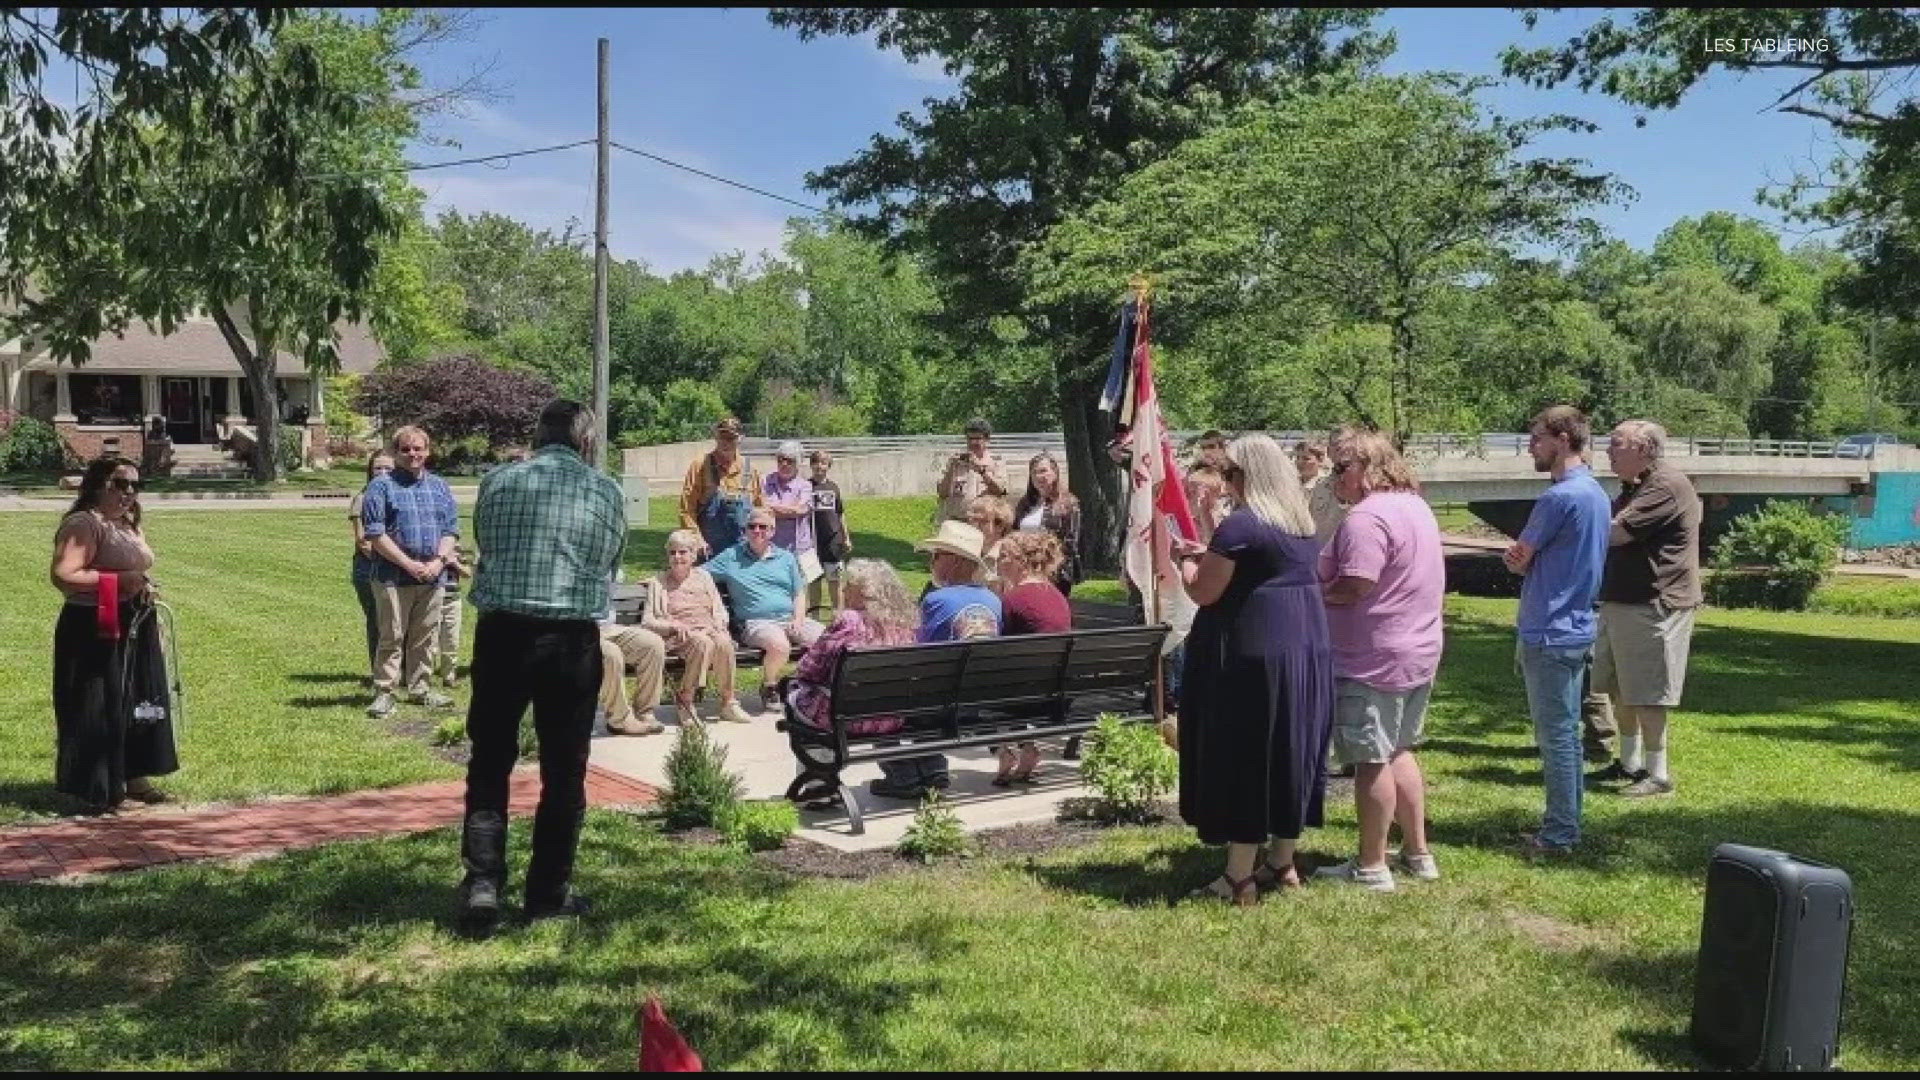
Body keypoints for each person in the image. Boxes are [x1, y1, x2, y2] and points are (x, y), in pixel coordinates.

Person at [458, 400, 627, 936]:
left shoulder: (498, 482)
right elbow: (608, 562)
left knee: (490, 760)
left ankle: (484, 884)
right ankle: (547, 893)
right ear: (586, 440)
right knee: (565, 770)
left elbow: (487, 547)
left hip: (504, 632)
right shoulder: (606, 491)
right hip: (569, 642)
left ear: (537, 436)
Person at [1170, 434, 1333, 906]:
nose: (1224, 481)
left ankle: (1237, 878)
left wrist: (1184, 561)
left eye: (1229, 473)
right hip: (1304, 651)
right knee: (1289, 751)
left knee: (1246, 755)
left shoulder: (1242, 525)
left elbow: (1204, 594)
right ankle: (1282, 862)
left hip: (1252, 655)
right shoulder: (1299, 523)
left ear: (1247, 475)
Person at [1312, 428, 1446, 891]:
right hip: (1417, 652)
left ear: (1368, 468)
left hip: (1372, 658)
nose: (1334, 479)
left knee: (1370, 760)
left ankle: (1371, 867)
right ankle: (1417, 853)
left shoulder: (1366, 519)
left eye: (1341, 468)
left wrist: (1311, 595)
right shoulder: (1417, 507)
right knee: (1399, 750)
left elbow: (1356, 585)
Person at [1503, 405, 1612, 856]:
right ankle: (1565, 825)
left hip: (1549, 631)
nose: (1531, 446)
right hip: (1578, 626)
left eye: (1537, 438)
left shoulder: (1558, 498)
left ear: (1563, 439)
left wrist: (1515, 558)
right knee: (1566, 734)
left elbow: (1520, 558)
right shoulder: (1597, 494)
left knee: (1558, 738)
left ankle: (1560, 833)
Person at [48, 455, 179, 812]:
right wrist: (121, 582)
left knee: (138, 699)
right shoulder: (84, 524)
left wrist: (143, 586)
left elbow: (136, 569)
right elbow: (64, 575)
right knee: (100, 703)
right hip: (94, 628)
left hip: (134, 623)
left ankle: (135, 775)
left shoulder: (126, 524)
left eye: (136, 486)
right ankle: (101, 786)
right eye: (121, 484)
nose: (130, 493)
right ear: (97, 485)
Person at [1589, 419, 1702, 799]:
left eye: (1617, 444)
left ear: (1645, 449)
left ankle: (1659, 774)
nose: (1608, 451)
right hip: (1624, 601)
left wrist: (1572, 525)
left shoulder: (1666, 486)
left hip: (1654, 605)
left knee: (1648, 693)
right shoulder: (1634, 487)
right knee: (1622, 689)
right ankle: (1630, 763)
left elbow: (1614, 533)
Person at [869, 520, 1003, 800]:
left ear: (954, 561)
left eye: (936, 555)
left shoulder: (937, 600)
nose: (932, 561)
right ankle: (933, 770)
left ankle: (904, 776)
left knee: (879, 701)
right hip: (977, 700)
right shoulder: (993, 600)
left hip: (939, 700)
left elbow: (916, 651)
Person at [361, 426, 460, 719]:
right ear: (395, 453)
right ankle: (385, 692)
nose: (413, 454)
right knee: (391, 635)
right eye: (406, 449)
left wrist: (439, 561)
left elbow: (451, 529)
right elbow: (375, 533)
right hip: (393, 575)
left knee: (425, 636)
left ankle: (420, 689)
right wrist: (408, 563)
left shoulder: (440, 486)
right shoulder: (381, 486)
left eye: (418, 448)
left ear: (428, 451)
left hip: (433, 575)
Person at [704, 507, 825, 711]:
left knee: (826, 640)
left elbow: (798, 593)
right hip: (755, 623)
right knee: (779, 645)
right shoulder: (730, 557)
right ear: (745, 530)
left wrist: (798, 618)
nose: (757, 530)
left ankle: (806, 685)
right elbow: (697, 574)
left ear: (772, 531)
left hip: (789, 618)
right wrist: (660, 581)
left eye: (763, 527)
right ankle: (770, 686)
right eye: (752, 526)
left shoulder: (786, 558)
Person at [786, 558, 921, 737]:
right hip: (891, 718)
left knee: (793, 692)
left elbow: (807, 669)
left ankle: (815, 763)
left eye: (849, 585)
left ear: (863, 592)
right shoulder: (903, 623)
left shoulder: (849, 621)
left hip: (844, 718)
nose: (843, 590)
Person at [643, 530, 754, 725]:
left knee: (723, 642)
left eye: (683, 552)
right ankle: (685, 701)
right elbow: (648, 621)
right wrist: (672, 625)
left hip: (707, 630)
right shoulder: (658, 582)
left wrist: (719, 624)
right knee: (703, 643)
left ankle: (728, 702)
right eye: (672, 552)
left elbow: (719, 609)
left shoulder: (704, 577)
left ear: (694, 555)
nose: (677, 557)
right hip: (678, 637)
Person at [991, 529, 1072, 786]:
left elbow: (996, 650)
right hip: (1056, 692)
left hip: (1023, 696)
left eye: (1003, 556)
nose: (997, 561)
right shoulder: (1056, 595)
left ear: (1020, 561)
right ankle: (1027, 749)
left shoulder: (1013, 600)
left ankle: (1002, 750)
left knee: (978, 681)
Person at [677, 416, 764, 559]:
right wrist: (696, 540)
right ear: (716, 437)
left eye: (731, 438)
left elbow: (761, 511)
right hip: (708, 551)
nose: (725, 442)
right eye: (721, 437)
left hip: (744, 553)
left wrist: (759, 540)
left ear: (740, 439)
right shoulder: (700, 466)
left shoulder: (750, 470)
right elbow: (686, 510)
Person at [596, 579, 669, 737]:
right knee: (611, 654)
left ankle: (645, 711)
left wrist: (656, 580)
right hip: (583, 629)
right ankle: (619, 720)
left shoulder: (608, 565)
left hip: (610, 627)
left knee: (653, 644)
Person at [349, 450, 395, 682]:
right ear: (370, 471)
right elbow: (362, 541)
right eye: (378, 468)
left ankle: (398, 671)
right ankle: (379, 672)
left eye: (389, 468)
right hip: (368, 568)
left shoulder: (397, 495)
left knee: (395, 622)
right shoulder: (362, 498)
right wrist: (392, 558)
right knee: (378, 621)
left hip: (393, 566)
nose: (383, 473)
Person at [1011, 451, 1082, 595]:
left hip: (1054, 572)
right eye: (1034, 473)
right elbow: (1014, 534)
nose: (1038, 477)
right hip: (1024, 569)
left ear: (1055, 473)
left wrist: (1046, 564)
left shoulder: (1068, 503)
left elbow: (1070, 542)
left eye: (1043, 471)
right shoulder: (1025, 503)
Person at [763, 439, 822, 586]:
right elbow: (759, 508)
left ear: (798, 463)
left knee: (797, 590)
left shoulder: (805, 486)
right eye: (780, 459)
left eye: (789, 460)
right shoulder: (765, 481)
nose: (784, 464)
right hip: (770, 546)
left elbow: (800, 510)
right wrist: (790, 509)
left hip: (797, 550)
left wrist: (772, 508)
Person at [936, 417, 1008, 523]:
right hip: (957, 521)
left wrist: (981, 470)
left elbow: (999, 491)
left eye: (978, 439)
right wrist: (951, 469)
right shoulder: (955, 461)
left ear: (987, 440)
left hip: (985, 522)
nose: (973, 443)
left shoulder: (997, 462)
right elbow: (942, 493)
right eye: (970, 439)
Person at [807, 448, 852, 618]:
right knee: (814, 582)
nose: (820, 466)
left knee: (835, 581)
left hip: (833, 542)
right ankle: (814, 618)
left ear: (829, 466)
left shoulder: (833, 487)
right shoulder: (806, 486)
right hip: (812, 542)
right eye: (816, 462)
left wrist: (846, 537)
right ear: (811, 465)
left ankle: (838, 618)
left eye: (823, 463)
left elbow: (840, 513)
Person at [435, 543, 474, 688]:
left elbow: (468, 573)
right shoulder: (433, 545)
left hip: (453, 600)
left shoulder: (458, 550)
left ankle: (449, 676)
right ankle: (423, 678)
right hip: (433, 598)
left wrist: (454, 562)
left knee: (451, 640)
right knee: (430, 642)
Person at [1183, 430, 1231, 543]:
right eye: (1204, 447)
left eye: (1211, 446)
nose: (1207, 451)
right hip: (1200, 526)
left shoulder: (1232, 471)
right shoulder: (1195, 472)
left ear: (1222, 448)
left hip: (1225, 521)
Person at [1296, 438, 1345, 547]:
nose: (1299, 462)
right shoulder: (1291, 485)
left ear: (1320, 460)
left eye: (1306, 459)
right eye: (1297, 458)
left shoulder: (1328, 486)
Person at [966, 494, 1015, 591]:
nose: (975, 526)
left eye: (983, 522)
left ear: (1000, 526)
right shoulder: (967, 552)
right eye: (972, 520)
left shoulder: (1009, 557)